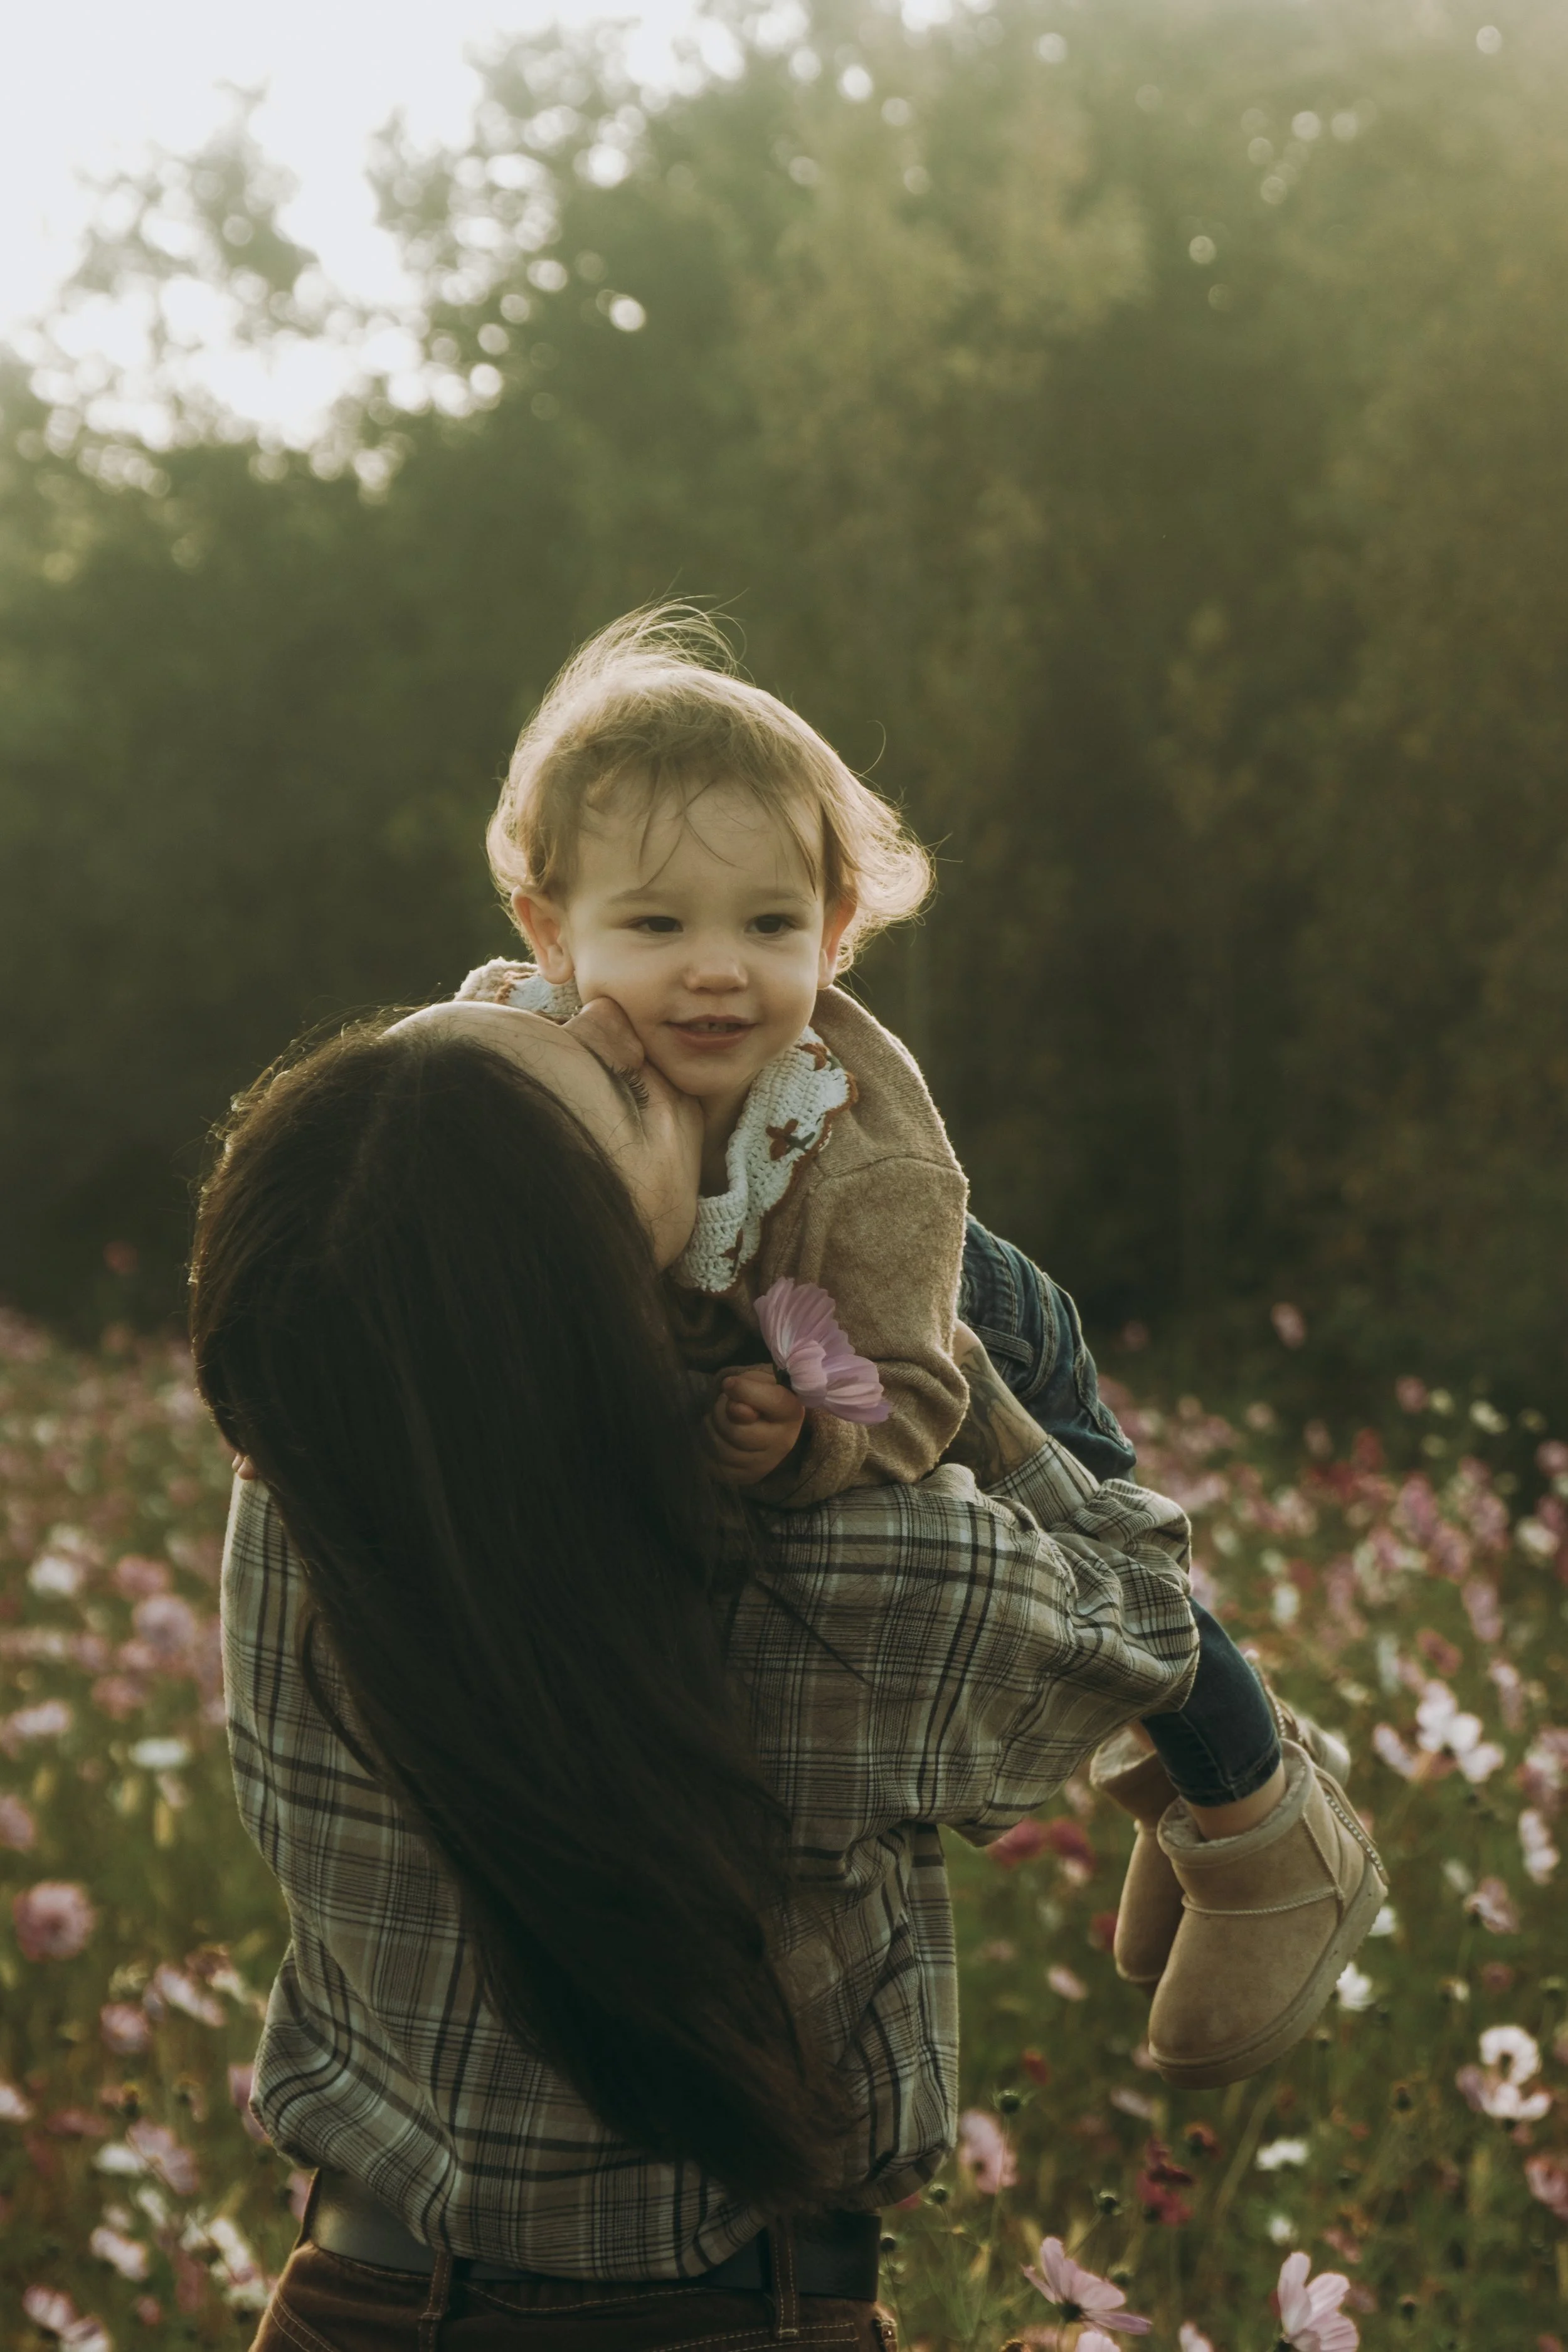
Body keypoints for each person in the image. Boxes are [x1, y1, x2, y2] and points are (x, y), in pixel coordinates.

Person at [194, 997, 1225, 2351]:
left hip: (351, 2307)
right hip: (727, 2321)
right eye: (620, 1095)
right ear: (584, 1277)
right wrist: (924, 1339)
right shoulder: (839, 1576)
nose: (630, 1038)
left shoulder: (306, 1485)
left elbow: (425, 1221)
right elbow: (1149, 1616)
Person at [455, 607, 1385, 2085]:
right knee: (1103, 1599)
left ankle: (1262, 1825)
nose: (716, 971)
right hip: (809, 1327)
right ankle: (1195, 1791)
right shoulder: (505, 1049)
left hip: (947, 1322)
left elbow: (889, 1384)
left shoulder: (863, 1159)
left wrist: (809, 1438)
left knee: (1116, 1584)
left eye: (768, 927)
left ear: (831, 934)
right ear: (545, 934)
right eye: (655, 924)